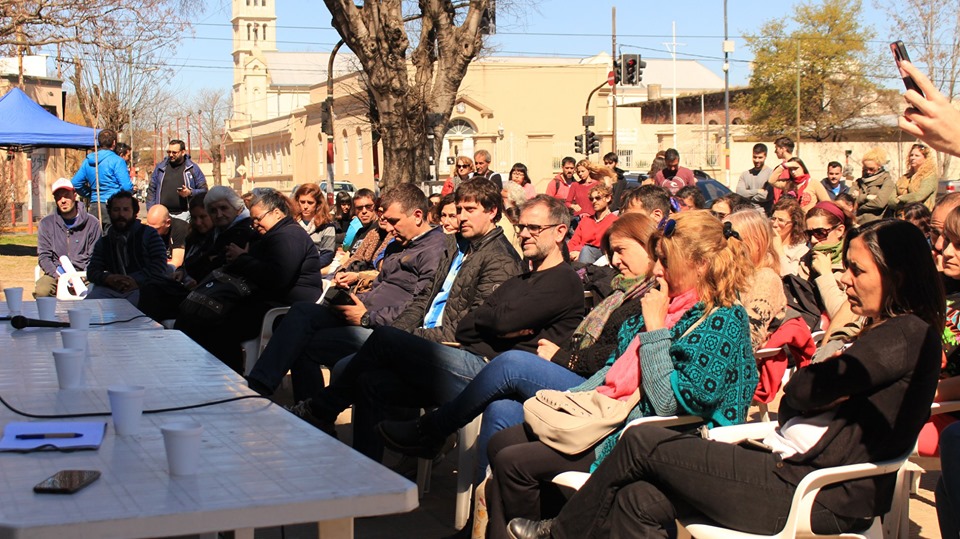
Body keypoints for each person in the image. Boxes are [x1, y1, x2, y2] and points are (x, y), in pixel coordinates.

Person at [510, 218, 944, 539]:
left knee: (641, 440)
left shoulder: (903, 334)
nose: (844, 280)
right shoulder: (894, 332)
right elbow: (808, 393)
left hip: (810, 492)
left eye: (857, 270)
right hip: (784, 466)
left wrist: (818, 384)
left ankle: (560, 532)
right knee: (638, 498)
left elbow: (802, 390)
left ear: (897, 276)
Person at [486, 210, 757, 539]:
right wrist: (572, 401)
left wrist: (655, 331)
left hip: (659, 439)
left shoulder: (721, 319)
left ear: (700, 264)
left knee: (514, 463)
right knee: (501, 443)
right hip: (614, 416)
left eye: (665, 261)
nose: (656, 270)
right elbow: (612, 370)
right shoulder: (666, 303)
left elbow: (668, 405)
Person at [287, 195, 584, 456]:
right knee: (369, 381)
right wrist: (495, 323)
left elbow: (499, 320)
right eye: (522, 227)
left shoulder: (562, 280)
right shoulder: (522, 279)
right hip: (467, 355)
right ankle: (369, 474)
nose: (525, 234)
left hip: (489, 373)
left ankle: (321, 409)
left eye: (535, 228)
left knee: (385, 339)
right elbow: (470, 324)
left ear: (560, 231)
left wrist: (495, 320)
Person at [377, 213, 659, 473]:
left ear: (649, 248)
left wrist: (564, 357)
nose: (614, 261)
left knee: (510, 362)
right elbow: (466, 327)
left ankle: (432, 430)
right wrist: (495, 323)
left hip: (596, 390)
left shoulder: (651, 298)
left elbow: (619, 356)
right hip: (557, 374)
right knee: (500, 408)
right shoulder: (616, 293)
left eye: (621, 250)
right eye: (611, 253)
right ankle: (484, 507)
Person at [245, 183, 457, 402]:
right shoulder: (397, 244)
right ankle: (260, 386)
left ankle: (299, 406)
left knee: (301, 342)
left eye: (394, 221)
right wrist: (353, 300)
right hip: (362, 313)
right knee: (301, 313)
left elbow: (420, 307)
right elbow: (381, 286)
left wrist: (366, 317)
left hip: (383, 329)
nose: (390, 229)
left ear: (418, 216)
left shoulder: (435, 250)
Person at [175, 188, 323, 373]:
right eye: (252, 220)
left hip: (284, 308)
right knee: (199, 317)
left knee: (220, 327)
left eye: (258, 219)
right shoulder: (270, 234)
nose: (254, 224)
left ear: (277, 213)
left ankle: (228, 377)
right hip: (265, 299)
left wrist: (242, 259)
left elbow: (277, 278)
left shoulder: (288, 236)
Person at [85, 191, 167, 306]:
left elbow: (159, 266)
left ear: (134, 212)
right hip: (113, 289)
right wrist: (109, 278)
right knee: (88, 305)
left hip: (144, 288)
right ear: (110, 212)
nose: (121, 214)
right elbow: (92, 271)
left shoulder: (149, 235)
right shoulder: (104, 242)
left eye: (126, 210)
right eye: (116, 210)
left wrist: (135, 280)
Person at [723, 210, 786, 350]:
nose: (723, 245)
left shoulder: (766, 279)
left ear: (756, 244)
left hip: (735, 358)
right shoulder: (732, 275)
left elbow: (750, 338)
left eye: (730, 238)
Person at [35, 178, 102, 298]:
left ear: (74, 195)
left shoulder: (92, 223)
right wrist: (60, 276)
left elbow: (95, 257)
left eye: (66, 196)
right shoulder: (46, 224)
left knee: (99, 292)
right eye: (58, 197)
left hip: (85, 275)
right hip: (56, 274)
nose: (63, 201)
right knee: (42, 290)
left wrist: (80, 277)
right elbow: (44, 256)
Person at [71, 128, 134, 225]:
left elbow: (75, 183)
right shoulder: (117, 161)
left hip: (95, 205)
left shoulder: (88, 161)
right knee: (112, 234)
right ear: (114, 143)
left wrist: (91, 193)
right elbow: (126, 187)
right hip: (113, 206)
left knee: (95, 233)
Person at [146, 139, 208, 221]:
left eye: (174, 152)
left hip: (185, 215)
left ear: (183, 152)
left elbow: (204, 190)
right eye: (169, 152)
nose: (171, 155)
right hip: (162, 215)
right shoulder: (160, 168)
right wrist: (151, 210)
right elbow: (151, 190)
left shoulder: (192, 168)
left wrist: (190, 192)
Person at [567, 183, 618, 264]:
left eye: (598, 198)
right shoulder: (585, 220)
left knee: (586, 250)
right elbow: (574, 241)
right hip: (578, 257)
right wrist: (571, 253)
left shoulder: (615, 221)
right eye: (591, 199)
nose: (594, 201)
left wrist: (580, 251)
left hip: (600, 258)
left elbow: (607, 247)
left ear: (608, 198)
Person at [292, 183, 336, 269]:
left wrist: (305, 267)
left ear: (318, 204)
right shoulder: (291, 224)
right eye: (302, 202)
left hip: (315, 269)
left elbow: (327, 255)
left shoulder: (327, 226)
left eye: (310, 203)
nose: (305, 206)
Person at [852, 147, 895, 224]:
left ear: (879, 166)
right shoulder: (858, 182)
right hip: (858, 222)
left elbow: (880, 203)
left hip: (877, 223)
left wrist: (858, 203)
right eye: (865, 169)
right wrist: (867, 197)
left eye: (871, 169)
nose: (868, 172)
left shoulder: (887, 181)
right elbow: (849, 201)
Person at [891, 143, 937, 212]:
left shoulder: (929, 176)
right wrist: (897, 203)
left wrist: (900, 199)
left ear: (925, 158)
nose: (913, 158)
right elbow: (891, 199)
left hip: (921, 215)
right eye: (911, 155)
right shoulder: (905, 177)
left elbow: (919, 196)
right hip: (902, 215)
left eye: (917, 156)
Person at [770, 197, 809, 277]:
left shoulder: (800, 250)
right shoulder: (765, 242)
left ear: (794, 224)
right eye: (773, 219)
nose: (775, 224)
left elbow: (792, 278)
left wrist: (779, 250)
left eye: (781, 220)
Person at [145, 205, 190, 269]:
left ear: (168, 223)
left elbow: (177, 263)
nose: (151, 231)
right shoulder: (149, 231)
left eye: (156, 229)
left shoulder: (180, 229)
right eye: (149, 227)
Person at [736, 143, 772, 207]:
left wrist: (747, 197)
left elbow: (766, 196)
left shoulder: (771, 174)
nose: (757, 160)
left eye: (760, 157)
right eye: (754, 157)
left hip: (763, 211)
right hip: (747, 210)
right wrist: (757, 191)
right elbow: (739, 193)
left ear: (765, 157)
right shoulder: (745, 174)